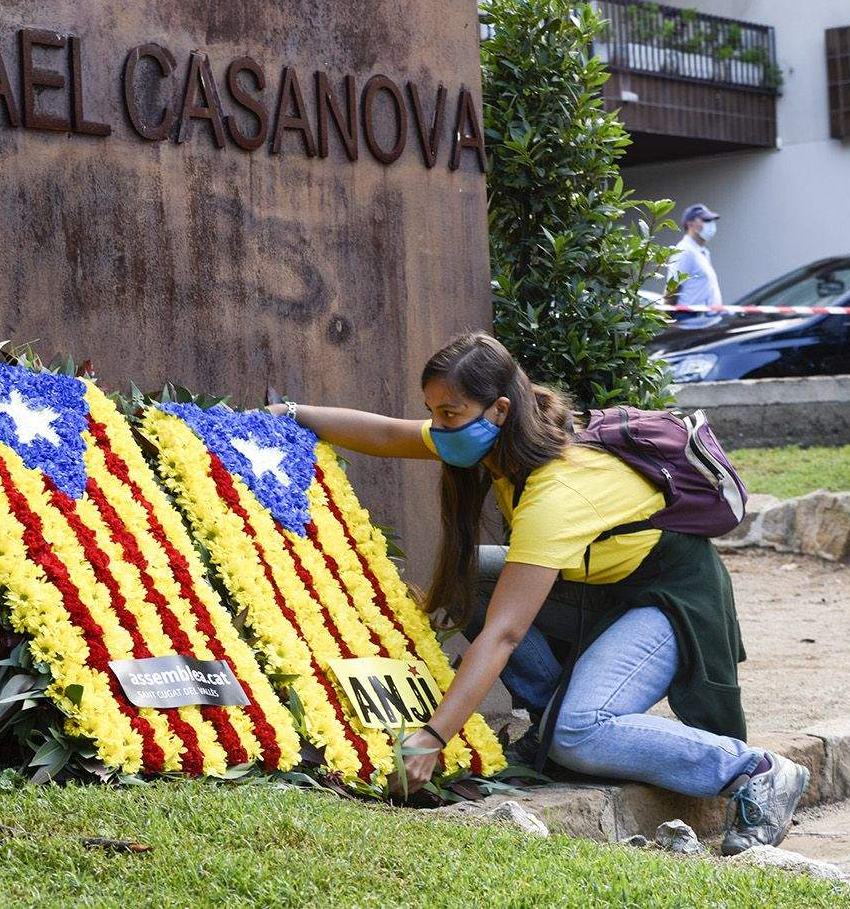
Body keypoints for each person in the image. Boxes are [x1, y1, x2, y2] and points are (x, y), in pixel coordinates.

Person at [267, 331, 807, 855]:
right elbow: (388, 434)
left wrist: (432, 737)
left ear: (499, 409)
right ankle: (550, 722)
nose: (436, 426)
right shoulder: (495, 441)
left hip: (668, 600)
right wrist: (290, 415)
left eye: (448, 413)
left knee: (579, 730)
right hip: (600, 589)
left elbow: (505, 633)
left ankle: (754, 771)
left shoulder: (556, 492)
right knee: (473, 575)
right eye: (433, 410)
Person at [666, 203, 722, 329]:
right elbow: (672, 289)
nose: (711, 224)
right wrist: (667, 323)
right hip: (690, 322)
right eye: (706, 220)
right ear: (690, 224)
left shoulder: (702, 252)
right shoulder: (685, 251)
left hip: (705, 322)